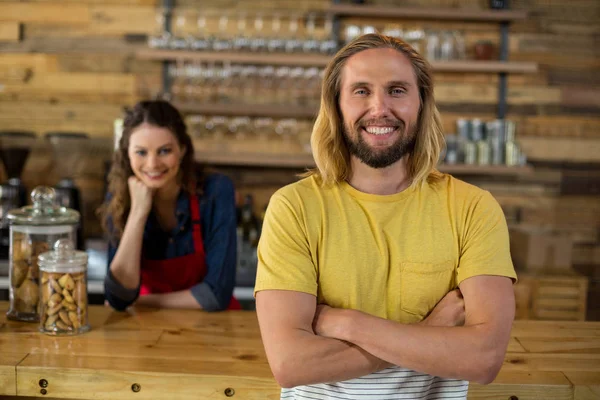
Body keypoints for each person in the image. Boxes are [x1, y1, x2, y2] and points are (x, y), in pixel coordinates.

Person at [254, 33, 517, 399]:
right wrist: (430, 330)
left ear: (421, 104)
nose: (379, 109)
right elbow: (292, 365)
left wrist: (347, 322)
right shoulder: (294, 208)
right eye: (361, 91)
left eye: (397, 90)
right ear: (336, 106)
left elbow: (484, 358)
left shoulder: (472, 207)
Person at [100, 100, 239, 311]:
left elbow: (216, 295)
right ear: (127, 154)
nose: (152, 164)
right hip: (144, 333)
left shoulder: (215, 191)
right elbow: (119, 295)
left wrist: (141, 302)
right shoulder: (119, 197)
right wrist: (138, 212)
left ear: (182, 149)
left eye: (164, 151)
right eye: (141, 152)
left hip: (213, 330)